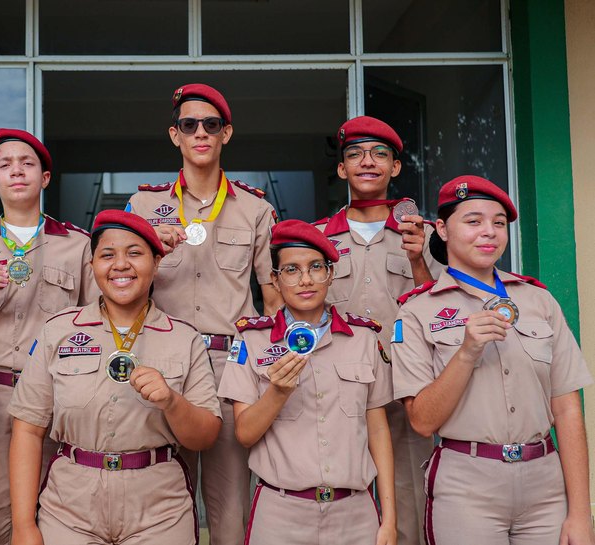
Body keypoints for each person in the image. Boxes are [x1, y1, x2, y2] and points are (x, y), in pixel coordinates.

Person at [391, 175, 595, 545]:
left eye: (498, 223)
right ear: (442, 229)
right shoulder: (416, 312)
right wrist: (467, 351)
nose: (489, 232)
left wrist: (581, 514)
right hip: (467, 487)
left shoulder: (538, 300)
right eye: (473, 221)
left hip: (545, 485)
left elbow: (567, 410)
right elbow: (422, 420)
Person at [126, 83, 282, 545]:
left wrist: (274, 361)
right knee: (159, 501)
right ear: (175, 135)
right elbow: (119, 284)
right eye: (189, 124)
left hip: (229, 364)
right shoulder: (142, 206)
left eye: (210, 125)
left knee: (229, 508)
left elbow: (271, 294)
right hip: (159, 362)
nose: (200, 133)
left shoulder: (255, 208)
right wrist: (148, 247)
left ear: (225, 134)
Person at [8, 210, 221, 545]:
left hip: (158, 509)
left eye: (135, 253)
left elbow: (205, 437)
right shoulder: (59, 331)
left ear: (156, 262)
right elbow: (28, 429)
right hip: (70, 507)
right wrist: (22, 526)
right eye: (107, 255)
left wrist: (171, 401)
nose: (120, 264)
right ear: (92, 267)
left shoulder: (185, 338)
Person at [0, 128, 98, 545]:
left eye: (28, 163)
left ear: (45, 178)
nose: (17, 171)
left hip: (57, 394)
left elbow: (94, 323)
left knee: (59, 515)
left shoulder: (77, 245)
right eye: (5, 165)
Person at [219, 219, 397, 545]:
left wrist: (389, 519)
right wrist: (277, 392)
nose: (305, 280)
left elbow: (378, 430)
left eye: (316, 267)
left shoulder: (363, 338)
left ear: (330, 273)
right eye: (291, 270)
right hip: (281, 512)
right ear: (274, 280)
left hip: (355, 512)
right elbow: (244, 433)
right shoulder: (251, 340)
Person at [314, 115, 442, 544]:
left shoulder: (422, 235)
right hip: (335, 392)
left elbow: (442, 312)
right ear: (341, 169)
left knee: (408, 499)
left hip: (405, 389)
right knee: (336, 498)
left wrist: (420, 259)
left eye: (379, 154)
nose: (367, 162)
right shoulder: (318, 240)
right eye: (355, 154)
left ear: (395, 167)